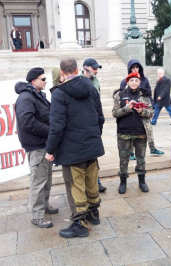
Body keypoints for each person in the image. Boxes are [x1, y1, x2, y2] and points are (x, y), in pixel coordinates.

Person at [45, 58, 105, 238]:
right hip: (91, 144)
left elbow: (57, 126)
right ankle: (94, 213)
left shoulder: (59, 93)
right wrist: (94, 137)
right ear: (78, 69)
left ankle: (79, 223)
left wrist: (50, 150)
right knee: (91, 180)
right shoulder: (91, 88)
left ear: (62, 73)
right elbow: (100, 117)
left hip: (72, 149)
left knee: (74, 184)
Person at [15, 68, 58, 228]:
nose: (46, 81)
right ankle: (37, 215)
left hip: (44, 144)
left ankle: (44, 206)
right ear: (33, 81)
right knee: (38, 181)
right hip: (37, 146)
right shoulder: (26, 97)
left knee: (46, 179)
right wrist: (52, 131)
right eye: (43, 79)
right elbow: (28, 123)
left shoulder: (38, 95)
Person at [113, 72, 154, 194]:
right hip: (124, 132)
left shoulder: (145, 96)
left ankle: (142, 181)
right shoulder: (120, 95)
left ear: (139, 82)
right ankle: (123, 182)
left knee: (141, 158)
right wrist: (127, 108)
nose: (134, 83)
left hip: (140, 132)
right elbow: (115, 113)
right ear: (127, 82)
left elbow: (151, 113)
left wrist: (142, 111)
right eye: (131, 81)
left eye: (136, 80)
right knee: (123, 159)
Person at [120, 59, 164, 159]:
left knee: (149, 129)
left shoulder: (144, 80)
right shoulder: (125, 81)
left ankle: (152, 148)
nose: (135, 69)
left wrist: (152, 105)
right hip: (131, 109)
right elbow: (122, 95)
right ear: (129, 69)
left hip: (143, 108)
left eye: (137, 67)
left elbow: (149, 93)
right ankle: (131, 152)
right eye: (133, 68)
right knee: (131, 130)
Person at [80, 58, 107, 192]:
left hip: (95, 121)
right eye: (94, 68)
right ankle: (86, 183)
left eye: (97, 68)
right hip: (82, 122)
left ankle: (96, 181)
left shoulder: (95, 81)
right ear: (86, 68)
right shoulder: (78, 80)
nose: (96, 71)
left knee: (94, 152)